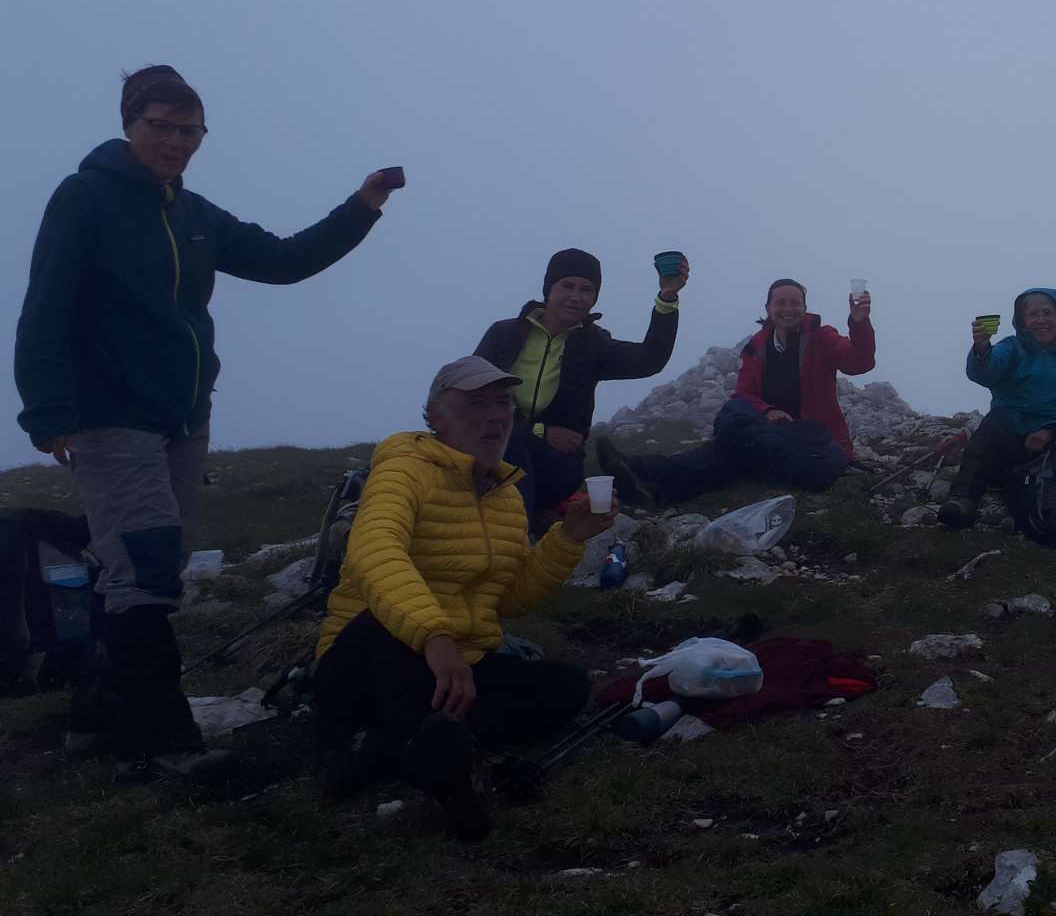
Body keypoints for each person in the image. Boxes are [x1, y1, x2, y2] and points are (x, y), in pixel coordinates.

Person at [13, 65, 398, 777]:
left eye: (190, 130)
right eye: (161, 125)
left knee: (157, 559)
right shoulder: (85, 198)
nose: (176, 141)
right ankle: (161, 739)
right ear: (130, 124)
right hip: (110, 411)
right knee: (146, 561)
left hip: (183, 415)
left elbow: (284, 260)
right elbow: (46, 303)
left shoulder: (194, 214)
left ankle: (97, 715)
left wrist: (363, 205)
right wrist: (47, 410)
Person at [314, 356, 616, 839]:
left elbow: (509, 599)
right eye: (477, 404)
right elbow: (375, 551)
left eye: (503, 404)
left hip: (454, 665)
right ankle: (415, 751)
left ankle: (399, 748)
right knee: (388, 630)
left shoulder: (505, 495)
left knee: (567, 686)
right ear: (437, 415)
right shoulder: (403, 472)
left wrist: (567, 539)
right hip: (364, 664)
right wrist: (434, 636)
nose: (495, 416)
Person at [599, 279, 875, 506]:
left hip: (814, 444)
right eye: (781, 303)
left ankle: (639, 471)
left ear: (804, 308)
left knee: (730, 441)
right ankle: (645, 485)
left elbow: (858, 363)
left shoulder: (821, 337)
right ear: (768, 308)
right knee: (722, 449)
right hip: (768, 438)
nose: (788, 309)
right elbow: (744, 394)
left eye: (795, 303)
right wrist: (768, 411)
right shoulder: (757, 347)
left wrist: (859, 323)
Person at [474, 248, 684, 532]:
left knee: (516, 454)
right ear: (549, 289)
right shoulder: (504, 334)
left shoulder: (593, 345)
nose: (576, 296)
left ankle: (513, 533)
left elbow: (649, 359)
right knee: (510, 443)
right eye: (567, 285)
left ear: (594, 298)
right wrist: (539, 431)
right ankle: (520, 525)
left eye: (587, 289)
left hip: (557, 463)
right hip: (495, 446)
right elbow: (472, 394)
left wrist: (667, 299)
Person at [938, 288, 1056, 529]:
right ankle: (964, 498)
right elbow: (986, 372)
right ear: (1022, 320)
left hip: (1055, 440)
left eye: (1047, 313)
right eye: (1033, 314)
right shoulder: (1012, 347)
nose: (1041, 320)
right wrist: (982, 348)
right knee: (996, 419)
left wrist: (1050, 431)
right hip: (1010, 437)